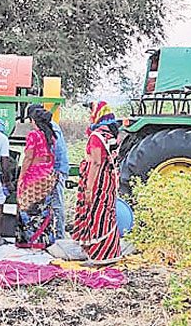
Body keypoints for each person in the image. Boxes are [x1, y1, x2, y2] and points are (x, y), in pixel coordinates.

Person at [72, 101, 122, 262]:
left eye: (91, 112)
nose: (89, 116)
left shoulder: (96, 136)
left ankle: (99, 255)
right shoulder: (111, 135)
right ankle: (111, 252)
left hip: (97, 182)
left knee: (95, 214)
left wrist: (89, 188)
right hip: (108, 182)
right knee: (106, 214)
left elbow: (96, 162)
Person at [15, 107, 58, 249]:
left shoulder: (33, 135)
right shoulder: (51, 135)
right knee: (44, 208)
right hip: (48, 175)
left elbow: (28, 157)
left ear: (33, 121)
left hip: (34, 176)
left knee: (26, 206)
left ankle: (29, 240)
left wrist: (21, 178)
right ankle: (44, 239)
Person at [27, 104, 69, 239]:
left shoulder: (51, 129)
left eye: (31, 121)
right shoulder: (49, 127)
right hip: (51, 171)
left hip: (56, 171)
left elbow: (56, 151)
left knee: (56, 203)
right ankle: (48, 236)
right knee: (48, 204)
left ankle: (60, 237)